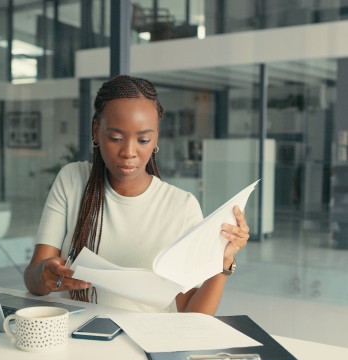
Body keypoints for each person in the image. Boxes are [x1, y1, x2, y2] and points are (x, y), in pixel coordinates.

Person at [24, 75, 250, 314]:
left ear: (156, 139)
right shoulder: (72, 180)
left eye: (143, 139)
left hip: (146, 343)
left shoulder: (181, 206)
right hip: (77, 339)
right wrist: (45, 275)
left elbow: (193, 316)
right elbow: (33, 280)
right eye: (116, 138)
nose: (128, 152)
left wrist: (222, 262)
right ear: (95, 131)